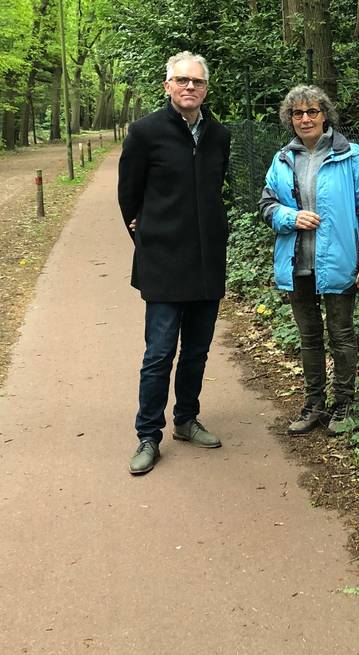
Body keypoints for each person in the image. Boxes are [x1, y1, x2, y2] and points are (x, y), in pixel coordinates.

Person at [117, 51, 231, 475]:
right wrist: (146, 237)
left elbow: (214, 188)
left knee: (197, 351)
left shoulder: (218, 134)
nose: (189, 87)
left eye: (197, 82)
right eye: (181, 80)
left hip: (207, 263)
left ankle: (186, 419)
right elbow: (129, 195)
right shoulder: (145, 132)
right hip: (163, 263)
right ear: (167, 85)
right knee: (160, 352)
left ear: (206, 88)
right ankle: (149, 434)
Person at [258, 85, 359, 436]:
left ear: (324, 114)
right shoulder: (283, 158)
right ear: (290, 119)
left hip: (340, 261)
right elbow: (266, 205)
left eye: (312, 111)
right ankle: (314, 404)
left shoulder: (351, 156)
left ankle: (344, 404)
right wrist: (289, 217)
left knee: (341, 334)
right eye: (297, 113)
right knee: (309, 336)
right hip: (298, 263)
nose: (305, 118)